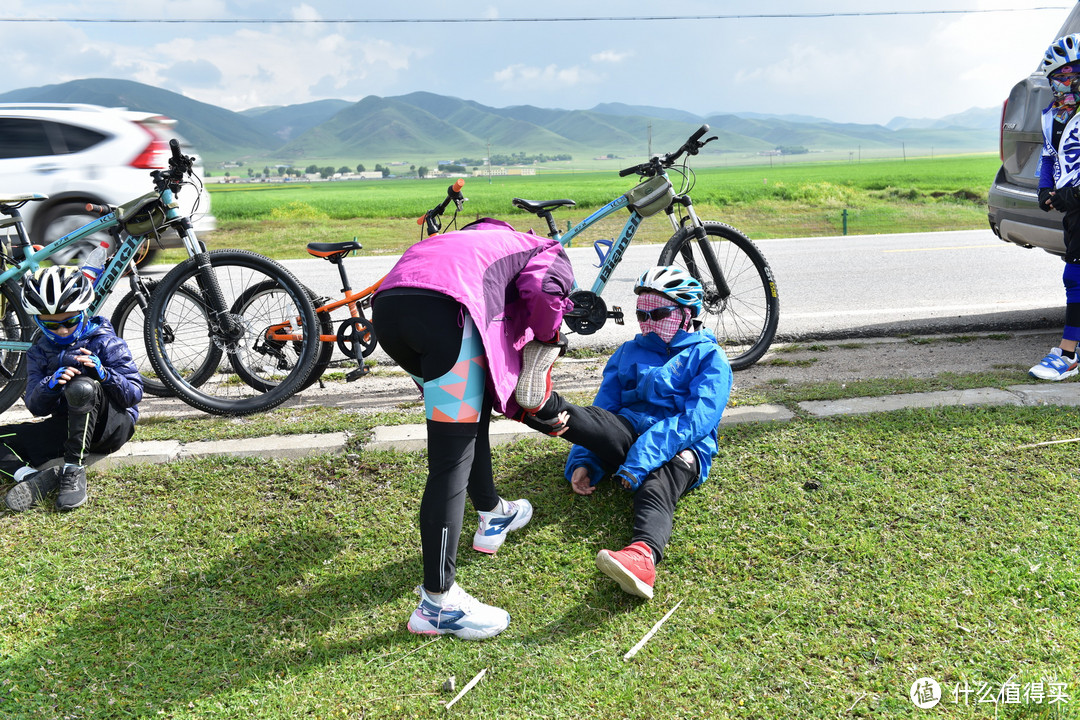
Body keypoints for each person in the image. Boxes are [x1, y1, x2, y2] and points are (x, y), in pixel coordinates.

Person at [370, 218, 574, 640]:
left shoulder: (459, 240)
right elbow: (543, 292)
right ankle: (438, 603)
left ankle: (492, 512)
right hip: (446, 314)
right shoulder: (541, 246)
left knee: (469, 417)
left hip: (389, 313)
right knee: (450, 460)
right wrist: (549, 339)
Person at [518, 266, 732, 599]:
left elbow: (697, 420)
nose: (648, 322)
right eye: (641, 314)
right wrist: (585, 462)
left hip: (682, 445)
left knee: (656, 484)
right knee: (595, 424)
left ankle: (642, 558)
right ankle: (541, 406)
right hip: (630, 428)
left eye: (658, 313)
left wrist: (641, 458)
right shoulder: (628, 351)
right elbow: (605, 407)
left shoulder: (709, 357)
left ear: (686, 314)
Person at [2, 266, 143, 512]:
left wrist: (105, 374)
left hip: (111, 427)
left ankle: (73, 470)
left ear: (84, 311)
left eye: (70, 321)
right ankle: (30, 477)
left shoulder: (107, 342)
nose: (63, 330)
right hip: (69, 428)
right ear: (37, 320)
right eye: (52, 325)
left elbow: (133, 394)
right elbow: (35, 407)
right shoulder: (38, 352)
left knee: (82, 387)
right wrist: (51, 384)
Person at [1032, 33, 1080, 381]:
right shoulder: (1053, 116)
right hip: (1072, 209)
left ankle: (1068, 354)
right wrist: (1045, 188)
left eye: (1075, 76)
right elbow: (1049, 156)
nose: (1068, 85)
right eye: (1062, 79)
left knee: (1074, 276)